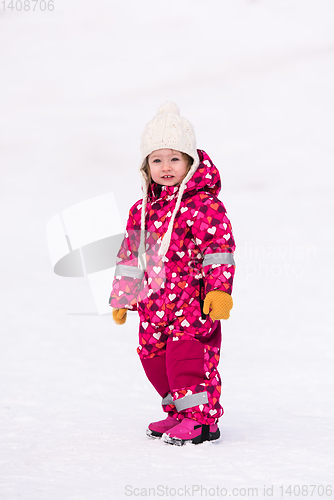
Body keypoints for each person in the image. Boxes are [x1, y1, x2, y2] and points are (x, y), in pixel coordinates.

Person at [109, 102, 236, 446]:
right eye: (157, 159)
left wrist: (219, 291)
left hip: (192, 303)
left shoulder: (203, 206)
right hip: (152, 305)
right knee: (154, 359)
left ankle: (202, 420)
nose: (165, 167)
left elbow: (218, 251)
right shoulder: (142, 209)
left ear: (190, 162)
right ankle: (177, 413)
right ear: (146, 166)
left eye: (174, 158)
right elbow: (130, 256)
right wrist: (123, 296)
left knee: (187, 360)